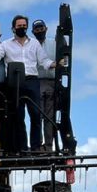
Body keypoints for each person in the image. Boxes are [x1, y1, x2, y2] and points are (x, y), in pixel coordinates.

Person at [0, 15, 39, 152]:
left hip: (32, 80)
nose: (22, 28)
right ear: (13, 28)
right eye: (19, 26)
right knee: (19, 116)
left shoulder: (35, 43)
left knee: (36, 114)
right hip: (15, 82)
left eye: (24, 25)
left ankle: (36, 147)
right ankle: (22, 147)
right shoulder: (5, 44)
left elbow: (44, 60)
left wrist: (54, 64)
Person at [26, 19, 57, 151]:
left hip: (51, 82)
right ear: (33, 31)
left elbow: (62, 60)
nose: (39, 31)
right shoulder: (30, 45)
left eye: (41, 28)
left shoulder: (54, 43)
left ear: (46, 28)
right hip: (36, 82)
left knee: (49, 117)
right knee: (36, 115)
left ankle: (49, 146)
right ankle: (37, 146)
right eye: (37, 29)